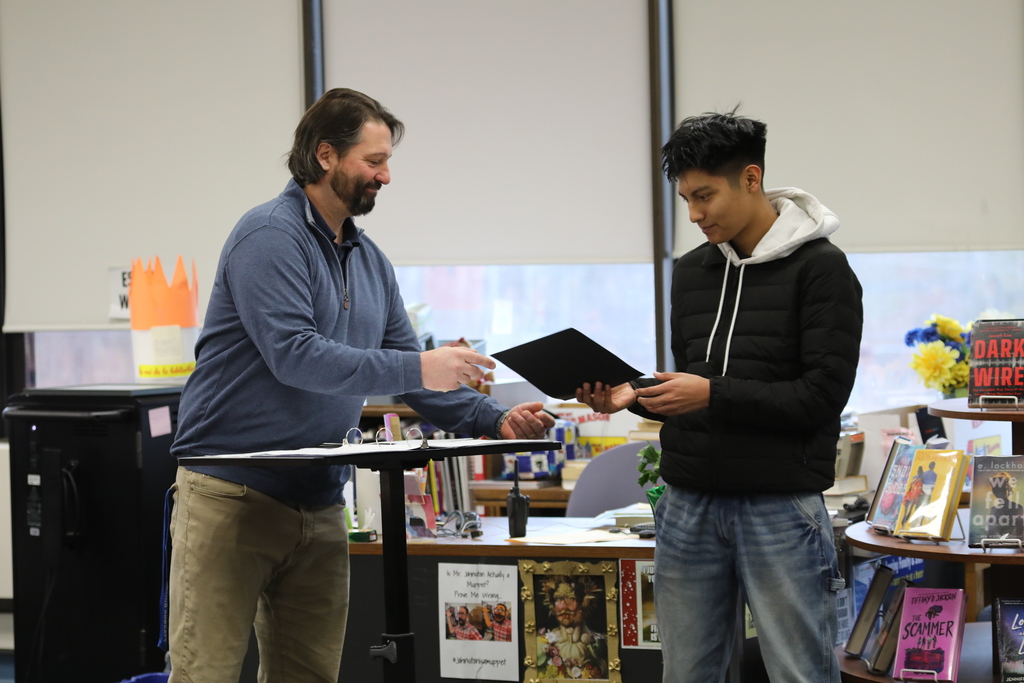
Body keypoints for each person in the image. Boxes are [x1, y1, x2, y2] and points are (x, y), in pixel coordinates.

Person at [167, 87, 554, 682]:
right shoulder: (269, 237)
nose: (386, 176)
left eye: (387, 162)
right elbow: (296, 358)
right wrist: (421, 367)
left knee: (311, 676)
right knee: (207, 674)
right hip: (232, 497)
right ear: (326, 155)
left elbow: (409, 369)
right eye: (373, 162)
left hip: (320, 501)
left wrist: (494, 420)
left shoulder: (370, 260)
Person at [576, 110, 862, 682]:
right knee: (686, 674)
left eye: (705, 195)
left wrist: (711, 395)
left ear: (750, 179)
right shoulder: (691, 272)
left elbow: (819, 398)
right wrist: (630, 396)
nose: (695, 213)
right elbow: (693, 386)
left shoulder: (823, 271)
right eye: (685, 198)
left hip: (779, 507)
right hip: (687, 504)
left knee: (798, 673)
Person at [536, 576, 608, 679]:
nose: (562, 607)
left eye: (570, 599)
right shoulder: (543, 644)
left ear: (584, 603)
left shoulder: (600, 644)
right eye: (558, 599)